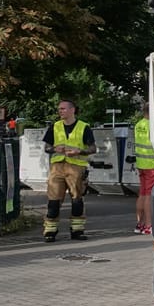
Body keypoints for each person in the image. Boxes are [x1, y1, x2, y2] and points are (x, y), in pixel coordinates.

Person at [43, 99, 96, 242]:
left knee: (77, 200)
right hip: (57, 166)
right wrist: (55, 149)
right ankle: (50, 231)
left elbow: (93, 148)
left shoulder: (84, 127)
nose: (60, 111)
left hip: (76, 167)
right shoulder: (54, 127)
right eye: (59, 109)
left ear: (72, 110)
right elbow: (47, 148)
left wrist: (80, 151)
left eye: (63, 109)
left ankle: (77, 231)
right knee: (53, 201)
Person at [132, 102, 154, 235]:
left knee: (142, 194)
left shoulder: (139, 124)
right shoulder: (153, 126)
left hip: (142, 164)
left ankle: (140, 224)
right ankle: (149, 225)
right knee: (149, 196)